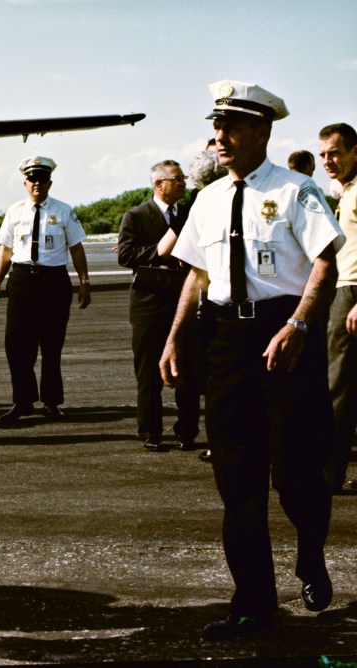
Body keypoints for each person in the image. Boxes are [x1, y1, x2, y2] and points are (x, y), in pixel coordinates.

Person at [159, 81, 342, 641]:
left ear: (262, 132)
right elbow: (196, 273)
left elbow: (325, 262)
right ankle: (252, 604)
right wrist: (172, 338)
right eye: (217, 127)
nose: (220, 137)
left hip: (283, 338)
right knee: (237, 481)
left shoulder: (296, 190)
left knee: (294, 474)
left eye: (232, 128)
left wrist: (299, 323)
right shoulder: (208, 199)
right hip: (226, 344)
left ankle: (310, 555)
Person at [0, 156, 90, 423]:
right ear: (25, 183)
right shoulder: (14, 211)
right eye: (32, 179)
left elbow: (77, 248)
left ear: (50, 182)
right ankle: (22, 402)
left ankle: (52, 402)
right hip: (22, 280)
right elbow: (6, 249)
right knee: (17, 345)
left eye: (42, 179)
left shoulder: (64, 211)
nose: (37, 184)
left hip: (54, 281)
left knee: (51, 346)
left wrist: (84, 281)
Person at [118, 160, 200, 452]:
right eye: (177, 179)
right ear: (158, 184)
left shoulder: (190, 213)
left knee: (188, 370)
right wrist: (161, 252)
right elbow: (126, 255)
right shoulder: (136, 215)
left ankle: (187, 431)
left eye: (183, 178)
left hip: (184, 301)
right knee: (148, 374)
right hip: (149, 305)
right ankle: (151, 432)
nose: (183, 183)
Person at [158, 148, 227, 463]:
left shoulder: (192, 207)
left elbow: (164, 250)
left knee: (194, 374)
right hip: (229, 301)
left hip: (200, 297)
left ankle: (190, 434)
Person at [318, 122, 357, 492]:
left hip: (352, 293)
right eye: (323, 155)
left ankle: (329, 474)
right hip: (346, 291)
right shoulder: (348, 190)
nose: (328, 161)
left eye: (335, 153)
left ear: (354, 152)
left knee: (338, 386)